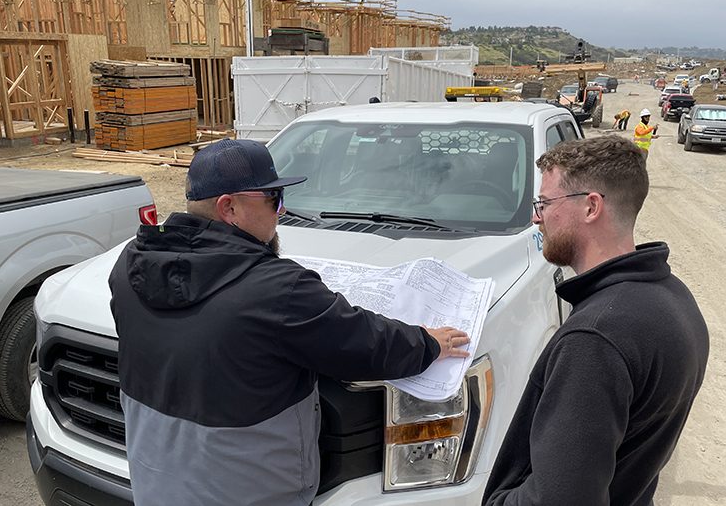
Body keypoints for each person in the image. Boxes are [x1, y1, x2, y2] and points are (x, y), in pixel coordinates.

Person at [108, 139, 470, 506]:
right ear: (228, 207)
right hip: (252, 493)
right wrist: (427, 342)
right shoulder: (278, 289)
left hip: (157, 483)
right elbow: (364, 342)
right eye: (273, 198)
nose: (282, 210)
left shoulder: (130, 265)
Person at [483, 135, 709, 506]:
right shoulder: (673, 296)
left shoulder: (596, 338)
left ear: (591, 207)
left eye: (545, 203)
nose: (536, 216)